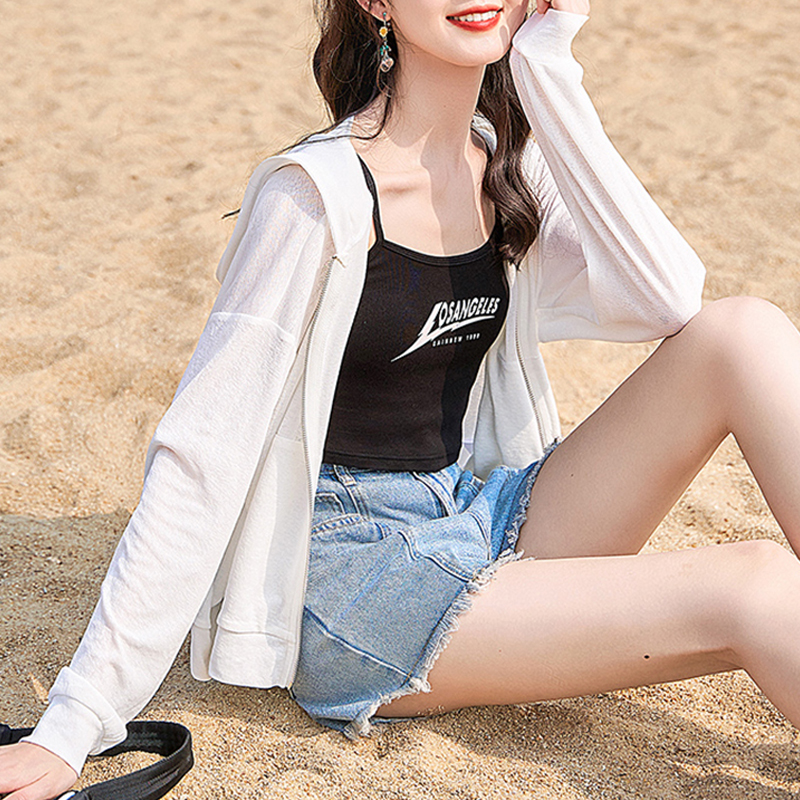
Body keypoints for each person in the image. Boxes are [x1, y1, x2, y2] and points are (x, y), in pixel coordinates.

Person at [3, 0, 800, 796]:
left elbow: (667, 298)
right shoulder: (313, 198)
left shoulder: (501, 166)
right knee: (753, 586)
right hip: (352, 576)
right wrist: (75, 723)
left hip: (471, 512)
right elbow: (200, 458)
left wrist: (547, 66)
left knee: (741, 334)